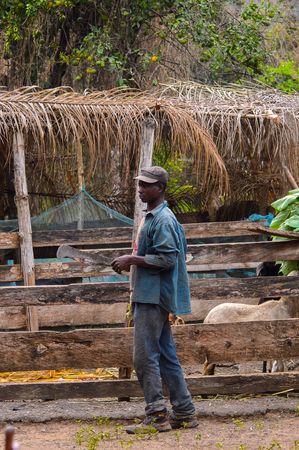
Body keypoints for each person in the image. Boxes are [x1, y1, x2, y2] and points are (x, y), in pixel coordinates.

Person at [112, 166, 198, 434]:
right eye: (139, 185)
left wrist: (131, 259)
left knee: (144, 357)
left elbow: (168, 259)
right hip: (149, 295)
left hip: (152, 298)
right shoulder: (153, 217)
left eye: (146, 185)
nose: (140, 189)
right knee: (165, 357)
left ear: (159, 188)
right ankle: (184, 412)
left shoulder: (163, 220)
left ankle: (157, 414)